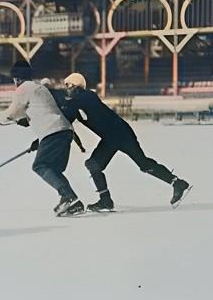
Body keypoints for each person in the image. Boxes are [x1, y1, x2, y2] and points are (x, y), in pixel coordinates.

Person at [58, 72, 191, 211]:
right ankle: (106, 201)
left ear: (76, 86)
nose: (66, 89)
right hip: (111, 136)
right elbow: (65, 118)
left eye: (68, 85)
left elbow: (71, 102)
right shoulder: (75, 104)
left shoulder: (87, 96)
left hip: (121, 133)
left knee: (143, 164)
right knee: (94, 165)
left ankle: (177, 183)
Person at [0, 61, 84, 216]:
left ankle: (69, 197)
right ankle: (71, 201)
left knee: (40, 166)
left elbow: (10, 113)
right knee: (53, 170)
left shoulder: (23, 89)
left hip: (53, 132)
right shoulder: (39, 88)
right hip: (64, 131)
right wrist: (23, 120)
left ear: (16, 78)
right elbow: (40, 110)